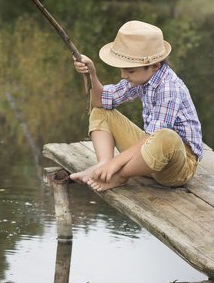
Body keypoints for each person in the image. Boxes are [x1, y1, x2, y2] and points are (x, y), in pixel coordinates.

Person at [70, 20, 203, 192]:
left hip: (178, 166)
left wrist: (116, 164)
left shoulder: (169, 88)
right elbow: (101, 100)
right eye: (123, 70)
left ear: (155, 66)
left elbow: (156, 137)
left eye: (130, 71)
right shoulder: (140, 78)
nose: (124, 75)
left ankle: (119, 175)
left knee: (166, 137)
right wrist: (91, 74)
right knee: (102, 112)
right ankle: (103, 165)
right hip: (150, 155)